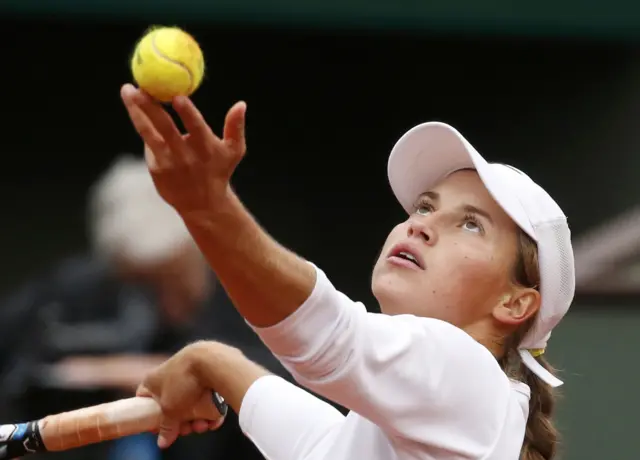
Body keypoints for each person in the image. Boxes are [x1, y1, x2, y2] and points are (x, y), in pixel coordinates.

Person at [120, 84, 575, 460]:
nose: (422, 224)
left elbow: (325, 335)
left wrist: (208, 207)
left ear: (515, 303)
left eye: (471, 224)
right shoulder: (433, 409)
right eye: (424, 206)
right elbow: (317, 444)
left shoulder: (465, 372)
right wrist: (213, 362)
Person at [0, 156, 294, 460]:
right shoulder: (76, 290)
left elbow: (312, 402)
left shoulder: (257, 296)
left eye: (174, 279)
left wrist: (172, 372)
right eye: (143, 285)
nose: (162, 302)